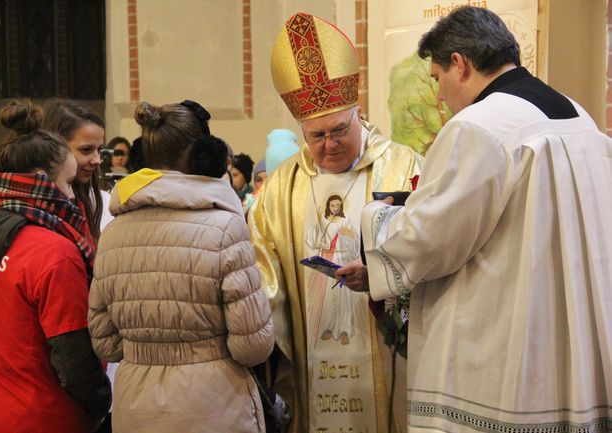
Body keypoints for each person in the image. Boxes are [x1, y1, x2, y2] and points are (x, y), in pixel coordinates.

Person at [356, 6, 612, 433]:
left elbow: (430, 237)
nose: (439, 96)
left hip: (507, 356)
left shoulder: (478, 126)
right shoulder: (579, 116)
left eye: (436, 79)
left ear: (460, 63)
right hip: (574, 351)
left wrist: (377, 217)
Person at [248, 12, 422, 433]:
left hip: (385, 344)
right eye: (316, 136)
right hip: (311, 345)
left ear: (358, 114)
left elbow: (432, 247)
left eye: (339, 130)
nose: (329, 145)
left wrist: (385, 275)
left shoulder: (404, 167)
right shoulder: (281, 185)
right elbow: (262, 266)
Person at [88, 100, 274, 433]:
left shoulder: (112, 233)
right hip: (215, 406)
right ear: (206, 155)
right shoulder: (225, 229)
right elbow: (252, 346)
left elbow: (105, 343)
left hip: (136, 406)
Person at [0, 100, 111, 433]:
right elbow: (74, 360)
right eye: (69, 183)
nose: (73, 197)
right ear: (43, 182)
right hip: (44, 416)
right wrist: (101, 404)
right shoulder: (54, 251)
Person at [43, 99, 110, 237]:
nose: (97, 160)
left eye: (99, 150)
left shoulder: (100, 201)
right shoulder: (32, 207)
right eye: (86, 150)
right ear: (56, 147)